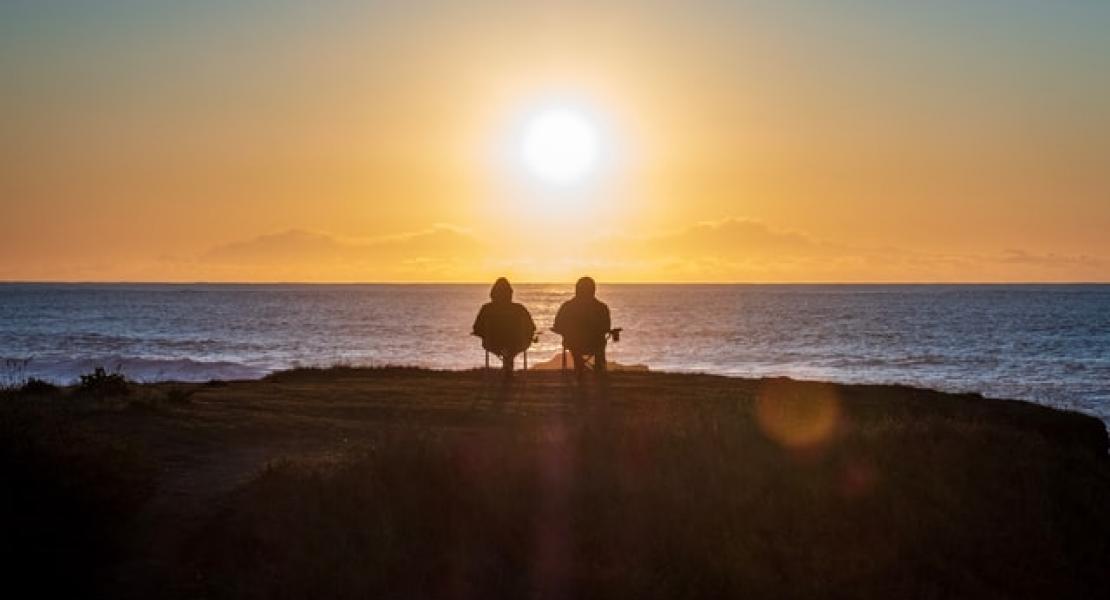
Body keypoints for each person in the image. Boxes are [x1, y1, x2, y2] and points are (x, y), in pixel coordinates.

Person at [472, 277, 536, 379]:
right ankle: (508, 367)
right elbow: (531, 327)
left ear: (493, 293)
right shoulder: (519, 309)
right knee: (510, 347)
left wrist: (485, 335)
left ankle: (507, 366)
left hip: (493, 343)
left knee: (505, 347)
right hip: (517, 343)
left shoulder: (487, 309)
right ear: (510, 293)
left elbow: (477, 328)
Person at [552, 276, 612, 380]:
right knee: (598, 344)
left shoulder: (567, 307)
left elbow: (558, 326)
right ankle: (597, 369)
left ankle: (579, 366)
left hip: (574, 344)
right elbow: (607, 327)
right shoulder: (602, 307)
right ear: (593, 290)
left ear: (577, 290)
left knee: (574, 342)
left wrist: (564, 332)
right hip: (596, 344)